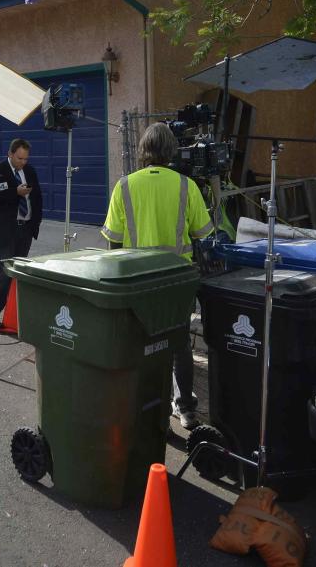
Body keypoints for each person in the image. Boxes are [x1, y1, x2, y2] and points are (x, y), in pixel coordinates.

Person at [101, 122, 214, 429]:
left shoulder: (124, 186)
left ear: (143, 151)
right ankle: (186, 409)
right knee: (179, 346)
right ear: (171, 151)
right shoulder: (185, 186)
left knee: (143, 346)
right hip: (177, 281)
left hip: (139, 283)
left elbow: (113, 241)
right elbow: (204, 234)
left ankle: (149, 407)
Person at [0, 138, 43, 330]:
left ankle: (14, 313)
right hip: (4, 230)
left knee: (18, 272)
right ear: (10, 154)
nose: (22, 162)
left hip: (25, 229)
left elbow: (38, 197)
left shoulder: (30, 171)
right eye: (19, 158)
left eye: (25, 159)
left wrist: (35, 222)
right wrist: (14, 192)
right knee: (3, 271)